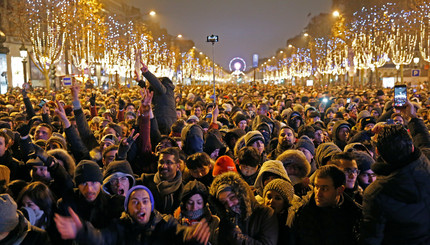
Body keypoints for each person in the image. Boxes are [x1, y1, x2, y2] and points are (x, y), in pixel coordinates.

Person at [360, 100, 430, 245]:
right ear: (411, 146)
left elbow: (372, 238)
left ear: (377, 152)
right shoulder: (426, 162)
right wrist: (413, 118)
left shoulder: (376, 192)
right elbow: (423, 142)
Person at [55, 185, 211, 244]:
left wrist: (191, 236)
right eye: (134, 201)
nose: (140, 205)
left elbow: (181, 234)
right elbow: (101, 238)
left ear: (151, 205)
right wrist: (82, 231)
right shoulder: (119, 227)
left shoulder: (166, 223)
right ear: (127, 208)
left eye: (145, 201)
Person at [290, 165, 362, 245]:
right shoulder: (301, 214)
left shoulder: (355, 214)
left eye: (324, 189)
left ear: (340, 190)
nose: (318, 193)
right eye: (316, 187)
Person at [209, 172, 278, 245]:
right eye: (224, 202)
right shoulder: (227, 219)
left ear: (242, 194)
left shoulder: (265, 213)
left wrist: (237, 237)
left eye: (232, 197)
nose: (229, 204)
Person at [138, 147, 183, 214]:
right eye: (161, 162)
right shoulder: (145, 181)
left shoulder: (184, 188)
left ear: (177, 166)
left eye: (168, 162)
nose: (164, 166)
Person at [174, 180, 219, 244]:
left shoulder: (214, 221)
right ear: (184, 204)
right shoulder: (175, 221)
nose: (194, 207)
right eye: (190, 203)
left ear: (204, 204)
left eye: (199, 202)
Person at [140, 62, 177, 135]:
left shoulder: (164, 88)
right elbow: (150, 88)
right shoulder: (168, 91)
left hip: (163, 120)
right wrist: (139, 81)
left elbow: (158, 86)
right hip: (166, 119)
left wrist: (147, 73)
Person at [263, 178, 295, 245]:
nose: (271, 201)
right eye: (269, 197)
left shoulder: (288, 226)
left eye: (277, 198)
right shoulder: (257, 217)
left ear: (285, 204)